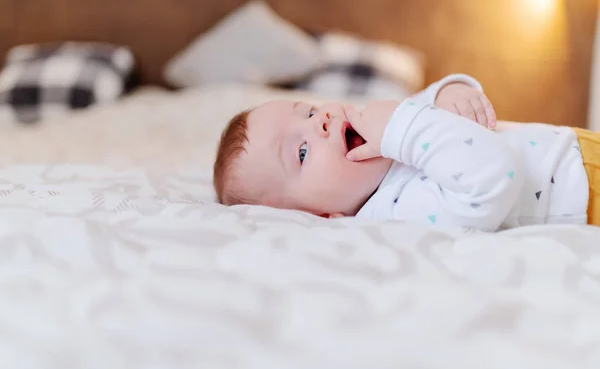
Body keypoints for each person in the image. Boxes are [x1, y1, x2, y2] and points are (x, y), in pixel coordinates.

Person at [213, 74, 599, 231]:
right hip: (587, 193)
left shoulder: (383, 126)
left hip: (576, 146)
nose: (322, 122)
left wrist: (452, 92)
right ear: (322, 216)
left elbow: (434, 103)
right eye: (300, 152)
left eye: (310, 110)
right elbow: (495, 177)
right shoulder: (396, 210)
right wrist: (402, 125)